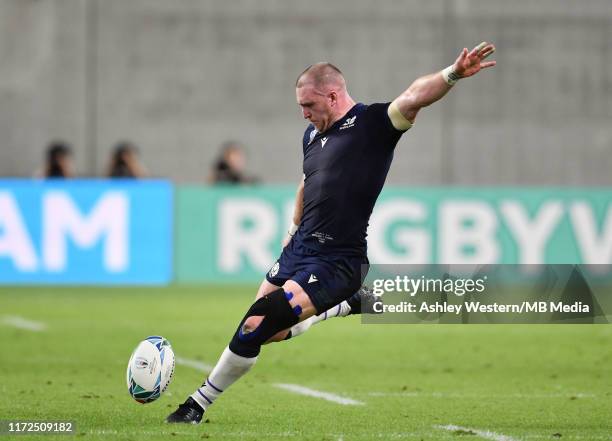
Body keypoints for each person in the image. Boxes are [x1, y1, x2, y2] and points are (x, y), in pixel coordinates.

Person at [167, 42, 496, 424]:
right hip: (299, 247)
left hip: (338, 259)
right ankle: (344, 305)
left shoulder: (373, 124)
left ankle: (197, 404)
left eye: (309, 105)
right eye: (300, 108)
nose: (304, 114)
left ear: (333, 95)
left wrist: (452, 74)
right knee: (267, 332)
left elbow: (413, 96)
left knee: (255, 324)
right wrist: (292, 229)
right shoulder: (310, 137)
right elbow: (307, 183)